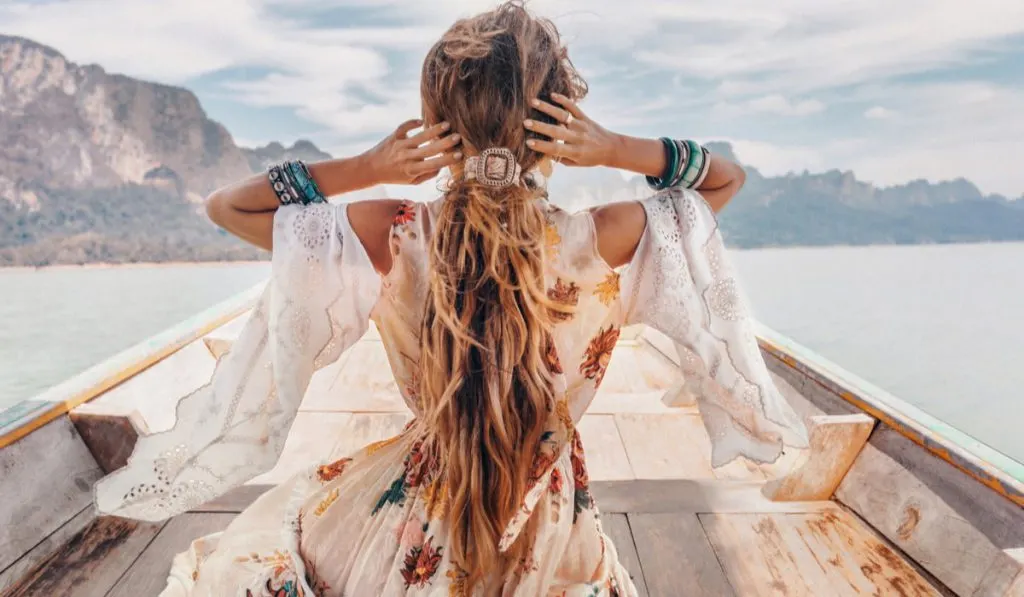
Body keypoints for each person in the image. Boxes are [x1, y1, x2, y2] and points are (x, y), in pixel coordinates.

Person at [93, 2, 808, 595]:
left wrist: (368, 165)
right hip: (552, 526)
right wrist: (617, 148)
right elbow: (723, 182)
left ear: (439, 123)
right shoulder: (606, 240)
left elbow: (228, 207)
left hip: (417, 520)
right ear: (560, 128)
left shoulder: (394, 232)